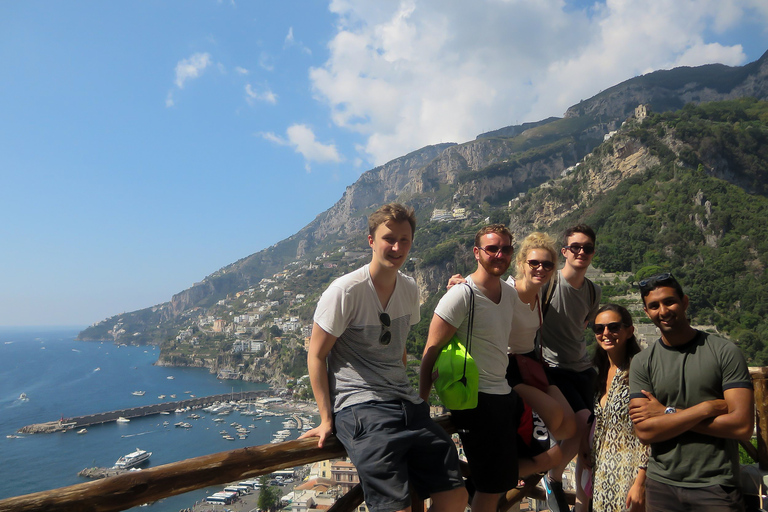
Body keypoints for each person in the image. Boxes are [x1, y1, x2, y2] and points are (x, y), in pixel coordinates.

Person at [300, 203, 467, 512]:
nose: (396, 247)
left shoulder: (409, 288)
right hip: (361, 409)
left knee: (456, 495)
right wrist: (326, 419)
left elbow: (400, 350)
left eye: (404, 240)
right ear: (371, 241)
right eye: (389, 238)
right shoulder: (345, 291)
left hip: (407, 406)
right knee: (394, 507)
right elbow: (315, 355)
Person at [629, 273, 754, 512]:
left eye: (669, 302)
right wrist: (705, 409)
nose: (663, 311)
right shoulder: (642, 362)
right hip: (661, 485)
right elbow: (644, 431)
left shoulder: (724, 352)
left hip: (716, 486)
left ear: (685, 302)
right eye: (654, 306)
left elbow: (742, 426)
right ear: (646, 312)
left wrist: (666, 414)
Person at [420, 224, 519, 512]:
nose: (500, 254)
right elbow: (431, 350)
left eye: (506, 249)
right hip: (476, 400)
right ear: (477, 253)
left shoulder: (510, 295)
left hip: (502, 396)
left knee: (494, 484)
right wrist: (422, 404)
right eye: (492, 249)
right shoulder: (462, 295)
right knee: (491, 487)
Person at [540, 224, 602, 512]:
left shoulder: (592, 291)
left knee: (586, 438)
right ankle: (552, 476)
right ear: (564, 251)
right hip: (554, 368)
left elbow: (583, 328)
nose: (581, 252)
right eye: (575, 247)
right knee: (582, 428)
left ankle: (580, 504)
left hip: (583, 369)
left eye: (587, 248)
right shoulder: (548, 283)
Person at [590, 304, 648, 512]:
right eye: (599, 328)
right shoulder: (600, 373)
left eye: (613, 327)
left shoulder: (639, 372)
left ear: (629, 331)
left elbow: (649, 431)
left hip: (630, 475)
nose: (605, 333)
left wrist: (640, 482)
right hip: (602, 475)